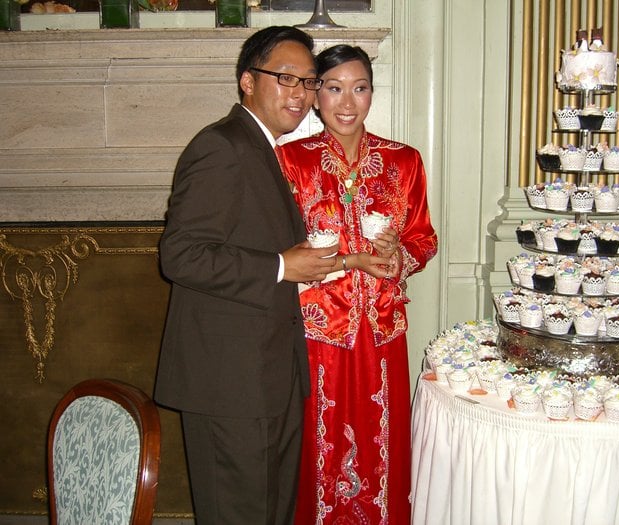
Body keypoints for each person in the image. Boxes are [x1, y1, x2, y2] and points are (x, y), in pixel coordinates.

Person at [154, 26, 339, 524]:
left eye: (308, 81)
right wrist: (281, 266)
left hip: (269, 374)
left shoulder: (263, 148)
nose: (300, 93)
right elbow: (181, 255)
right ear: (247, 81)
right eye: (285, 77)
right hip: (230, 382)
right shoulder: (222, 146)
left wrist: (311, 263)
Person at [278, 44, 438, 524]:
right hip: (317, 331)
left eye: (359, 88)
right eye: (334, 88)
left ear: (372, 93)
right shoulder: (290, 161)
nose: (347, 103)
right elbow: (277, 247)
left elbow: (424, 237)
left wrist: (398, 256)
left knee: (380, 442)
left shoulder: (403, 161)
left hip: (381, 330)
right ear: (315, 95)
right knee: (318, 447)